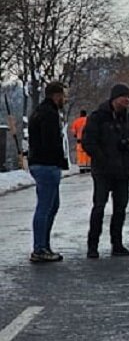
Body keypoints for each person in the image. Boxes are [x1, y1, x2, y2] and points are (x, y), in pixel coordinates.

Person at [81, 83, 129, 258]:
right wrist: (102, 159)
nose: (128, 101)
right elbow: (88, 142)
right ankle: (93, 246)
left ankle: (117, 244)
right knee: (99, 207)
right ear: (115, 98)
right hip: (103, 172)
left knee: (120, 209)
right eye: (125, 97)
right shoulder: (98, 117)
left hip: (123, 172)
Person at [27, 82, 69, 263]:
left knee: (51, 206)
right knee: (45, 207)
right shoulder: (50, 114)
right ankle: (40, 248)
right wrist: (59, 161)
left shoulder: (38, 112)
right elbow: (51, 142)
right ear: (56, 95)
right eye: (63, 96)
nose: (65, 100)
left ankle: (43, 245)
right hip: (47, 165)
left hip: (39, 163)